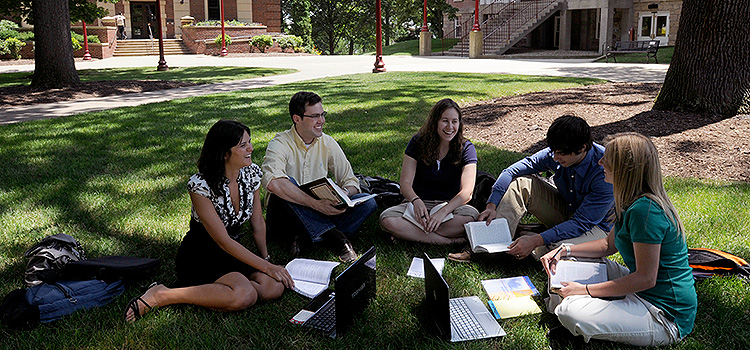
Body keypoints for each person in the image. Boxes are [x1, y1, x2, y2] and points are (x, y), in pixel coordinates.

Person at [123, 120, 293, 323]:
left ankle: (221, 292)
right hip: (202, 253)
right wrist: (267, 269)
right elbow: (223, 241)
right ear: (224, 153)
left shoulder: (252, 174)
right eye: (242, 145)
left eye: (249, 142)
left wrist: (266, 260)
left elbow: (257, 222)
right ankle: (162, 294)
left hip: (233, 250)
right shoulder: (200, 185)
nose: (251, 148)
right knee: (244, 295)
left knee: (273, 287)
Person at [540, 133, 697, 346]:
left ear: (625, 168)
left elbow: (645, 278)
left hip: (662, 314)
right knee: (568, 264)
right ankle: (578, 304)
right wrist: (564, 250)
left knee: (571, 311)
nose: (600, 161)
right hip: (639, 290)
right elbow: (608, 245)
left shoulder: (646, 211)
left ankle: (574, 308)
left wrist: (584, 290)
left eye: (608, 159)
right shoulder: (629, 199)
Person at [448, 115, 613, 262]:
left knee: (559, 253)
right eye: (553, 151)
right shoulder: (556, 153)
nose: (555, 158)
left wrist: (537, 240)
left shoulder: (604, 169)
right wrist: (492, 204)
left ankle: (526, 240)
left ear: (582, 147)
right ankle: (489, 246)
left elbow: (581, 223)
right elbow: (511, 171)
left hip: (595, 227)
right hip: (567, 209)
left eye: (561, 153)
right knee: (521, 183)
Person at [262, 91, 377, 263]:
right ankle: (336, 238)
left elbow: (351, 181)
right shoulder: (279, 143)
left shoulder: (328, 142)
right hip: (285, 217)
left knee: (368, 202)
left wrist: (342, 195)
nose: (321, 121)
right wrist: (315, 204)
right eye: (315, 116)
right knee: (285, 185)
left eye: (322, 115)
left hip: (321, 211)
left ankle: (306, 238)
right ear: (297, 118)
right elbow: (273, 183)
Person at [379, 98, 478, 244]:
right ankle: (448, 242)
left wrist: (442, 213)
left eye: (454, 121)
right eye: (445, 120)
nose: (450, 127)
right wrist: (416, 201)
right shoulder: (418, 142)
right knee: (387, 219)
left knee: (471, 218)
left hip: (450, 207)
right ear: (435, 122)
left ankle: (410, 234)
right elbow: (405, 183)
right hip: (418, 206)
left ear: (459, 123)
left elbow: (467, 193)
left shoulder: (467, 148)